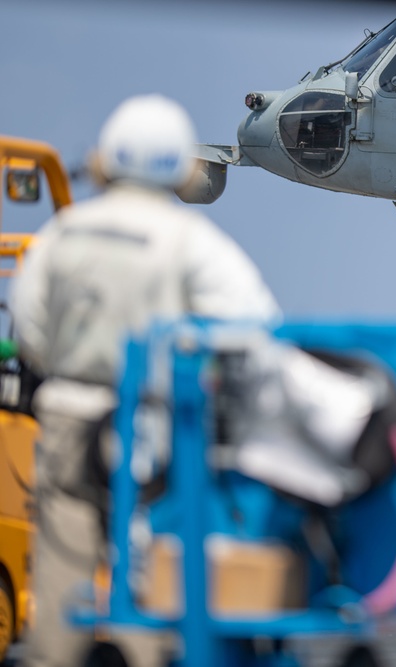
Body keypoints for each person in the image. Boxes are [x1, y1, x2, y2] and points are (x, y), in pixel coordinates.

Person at [10, 94, 281, 667]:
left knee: (61, 571)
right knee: (151, 572)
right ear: (182, 167)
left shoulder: (66, 230)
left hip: (68, 417)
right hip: (152, 429)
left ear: (107, 158)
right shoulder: (189, 239)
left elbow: (28, 326)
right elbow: (254, 327)